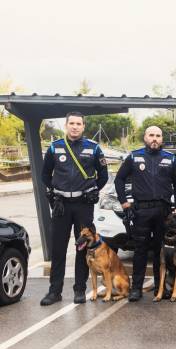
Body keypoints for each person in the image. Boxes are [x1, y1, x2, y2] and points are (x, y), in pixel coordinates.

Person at [40, 111, 108, 306]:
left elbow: (103, 175)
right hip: (61, 205)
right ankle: (55, 291)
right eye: (72, 123)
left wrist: (93, 190)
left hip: (83, 205)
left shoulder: (93, 148)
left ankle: (79, 289)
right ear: (66, 125)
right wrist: (53, 192)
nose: (75, 127)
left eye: (79, 123)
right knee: (58, 248)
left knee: (82, 248)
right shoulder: (54, 148)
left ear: (83, 127)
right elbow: (45, 174)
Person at [114, 126, 176, 302]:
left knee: (161, 251)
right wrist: (124, 202)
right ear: (145, 137)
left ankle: (161, 288)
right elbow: (119, 179)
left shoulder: (170, 158)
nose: (154, 138)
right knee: (140, 250)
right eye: (151, 135)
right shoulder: (134, 156)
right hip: (141, 211)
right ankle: (136, 288)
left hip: (164, 212)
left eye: (158, 136)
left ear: (162, 139)